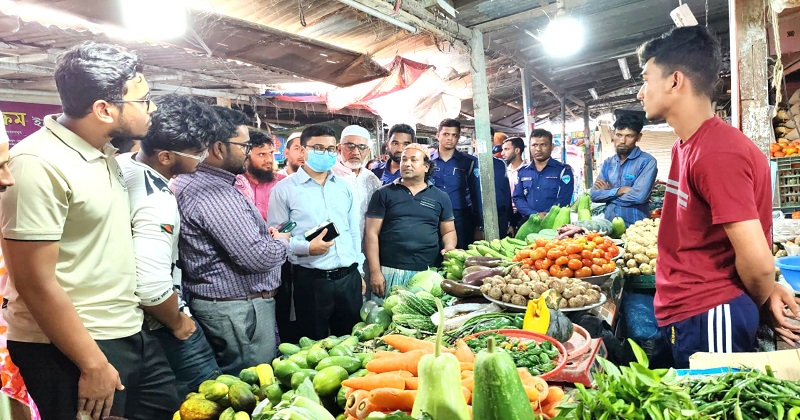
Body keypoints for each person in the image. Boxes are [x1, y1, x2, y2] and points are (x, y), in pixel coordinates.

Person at [0, 42, 180, 419]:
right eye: (143, 100)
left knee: (166, 406)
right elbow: (33, 281)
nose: (153, 109)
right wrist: (92, 362)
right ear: (103, 109)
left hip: (124, 328)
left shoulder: (104, 153)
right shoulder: (38, 163)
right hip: (70, 346)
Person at [637, 26, 800, 368]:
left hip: (711, 315)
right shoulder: (688, 145)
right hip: (691, 313)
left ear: (674, 81)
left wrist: (755, 296)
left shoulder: (717, 152)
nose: (641, 92)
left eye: (646, 78)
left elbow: (757, 261)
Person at [116, 94, 222, 397]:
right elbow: (150, 286)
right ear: (165, 157)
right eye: (197, 152)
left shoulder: (124, 165)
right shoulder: (156, 201)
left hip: (137, 324)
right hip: (161, 321)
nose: (203, 157)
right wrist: (178, 322)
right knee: (207, 396)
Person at [172, 106, 289, 375]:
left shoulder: (195, 181)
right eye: (244, 145)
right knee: (250, 384)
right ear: (218, 148)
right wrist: (282, 241)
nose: (248, 152)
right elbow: (258, 257)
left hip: (228, 305)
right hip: (238, 309)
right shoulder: (213, 192)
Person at [267, 124, 366, 340]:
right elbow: (278, 238)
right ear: (303, 151)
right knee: (313, 344)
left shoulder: (344, 187)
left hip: (348, 278)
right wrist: (307, 247)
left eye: (331, 149)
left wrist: (359, 270)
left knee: (352, 344)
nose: (326, 153)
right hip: (312, 281)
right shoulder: (285, 190)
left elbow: (353, 232)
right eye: (318, 147)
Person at [365, 144, 456, 301]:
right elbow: (371, 234)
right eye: (403, 160)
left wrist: (449, 248)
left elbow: (448, 231)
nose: (407, 164)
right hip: (389, 271)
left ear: (426, 166)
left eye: (414, 160)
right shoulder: (383, 194)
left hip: (426, 273)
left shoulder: (440, 197)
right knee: (385, 317)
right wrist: (375, 272)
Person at [590, 114, 658, 227]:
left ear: (638, 137)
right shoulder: (608, 163)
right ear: (613, 134)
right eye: (619, 135)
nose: (622, 140)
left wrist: (609, 194)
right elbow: (594, 195)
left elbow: (638, 197)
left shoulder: (647, 162)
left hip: (636, 228)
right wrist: (619, 191)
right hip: (610, 227)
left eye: (629, 136)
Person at [430, 119, 483, 249]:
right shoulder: (427, 160)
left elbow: (476, 194)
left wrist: (479, 225)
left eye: (454, 135)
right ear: (438, 135)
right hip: (432, 215)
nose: (450, 139)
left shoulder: (468, 162)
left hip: (460, 218)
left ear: (458, 138)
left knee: (459, 254)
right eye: (446, 134)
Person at [512, 129, 574, 222]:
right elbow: (518, 198)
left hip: (555, 223)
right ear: (529, 147)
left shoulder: (563, 171)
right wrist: (534, 214)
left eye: (543, 145)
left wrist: (547, 215)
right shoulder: (523, 172)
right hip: (528, 222)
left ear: (551, 146)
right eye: (534, 145)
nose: (538, 149)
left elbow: (564, 199)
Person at [331, 125, 382, 238]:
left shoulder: (371, 179)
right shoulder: (328, 175)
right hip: (334, 247)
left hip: (364, 247)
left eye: (362, 147)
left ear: (368, 151)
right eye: (350, 146)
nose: (355, 152)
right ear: (339, 148)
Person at [235, 129, 286, 221]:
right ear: (246, 155)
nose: (269, 160)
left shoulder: (284, 183)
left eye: (271, 153)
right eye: (262, 154)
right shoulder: (236, 184)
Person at [502, 136, 527, 230]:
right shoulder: (504, 171)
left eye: (506, 149)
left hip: (524, 214)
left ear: (517, 150)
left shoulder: (528, 170)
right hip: (508, 214)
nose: (502, 153)